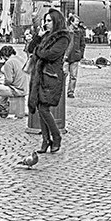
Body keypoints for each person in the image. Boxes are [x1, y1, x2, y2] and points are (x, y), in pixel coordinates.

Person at [26, 8, 71, 156]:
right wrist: (38, 38)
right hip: (39, 75)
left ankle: (56, 136)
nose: (46, 24)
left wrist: (38, 51)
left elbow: (51, 55)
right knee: (40, 107)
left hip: (51, 76)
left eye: (49, 21)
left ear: (56, 21)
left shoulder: (63, 37)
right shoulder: (45, 35)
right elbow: (30, 49)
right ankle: (46, 140)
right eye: (45, 21)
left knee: (44, 108)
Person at [0, 45, 29, 118]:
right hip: (25, 88)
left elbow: (9, 81)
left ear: (4, 55)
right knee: (2, 86)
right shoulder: (20, 59)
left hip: (16, 90)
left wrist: (4, 82)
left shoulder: (8, 63)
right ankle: (3, 106)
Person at [64, 14, 87, 98]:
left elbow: (82, 44)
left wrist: (80, 54)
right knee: (64, 74)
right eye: (76, 21)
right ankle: (61, 91)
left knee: (73, 76)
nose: (78, 23)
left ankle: (71, 91)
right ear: (71, 21)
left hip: (75, 56)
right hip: (65, 57)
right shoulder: (66, 31)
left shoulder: (79, 31)